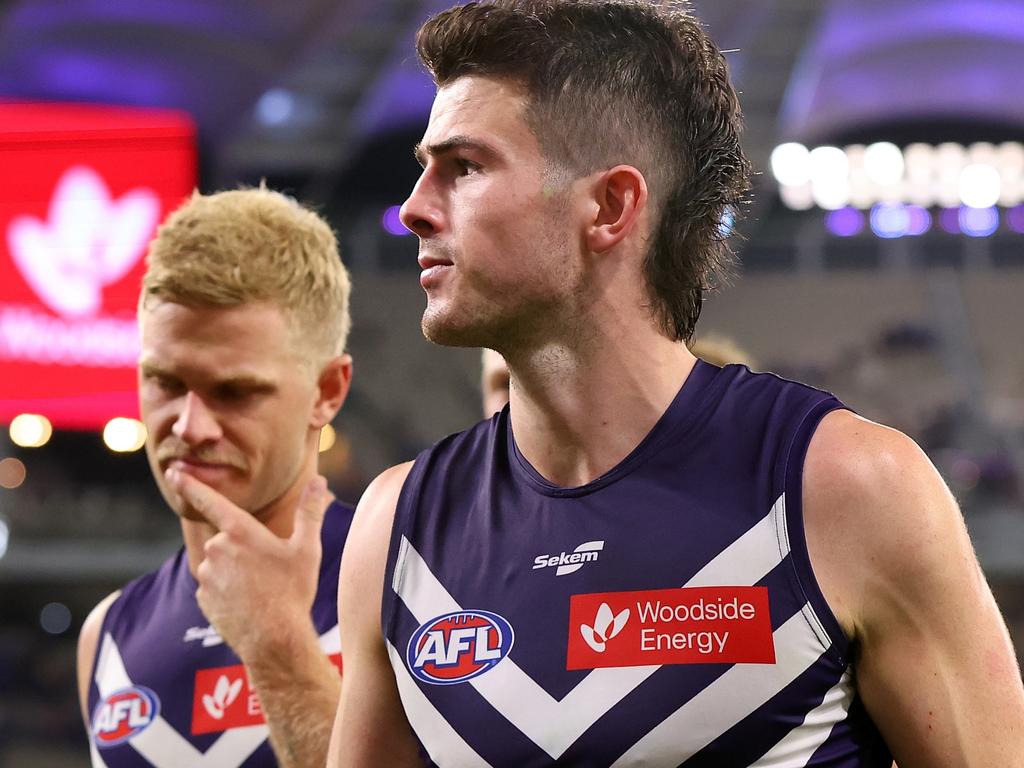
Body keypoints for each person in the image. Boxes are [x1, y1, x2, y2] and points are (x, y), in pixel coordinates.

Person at [317, 0, 1024, 764]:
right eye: (424, 170)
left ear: (611, 206)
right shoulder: (396, 528)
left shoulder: (850, 488)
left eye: (465, 167)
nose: (415, 209)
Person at [77, 187, 354, 768]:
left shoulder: (407, 585)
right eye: (166, 383)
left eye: (235, 392)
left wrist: (279, 647)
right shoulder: (107, 636)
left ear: (326, 392)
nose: (190, 424)